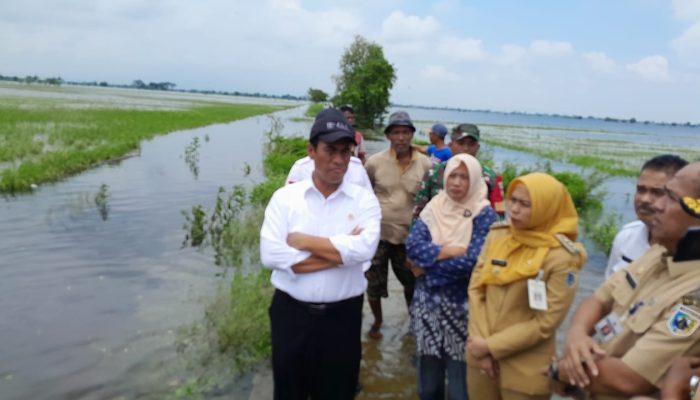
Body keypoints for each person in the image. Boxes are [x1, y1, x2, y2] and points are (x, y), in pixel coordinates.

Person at [551, 162, 700, 399]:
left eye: (670, 197)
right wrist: (577, 337)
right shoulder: (658, 252)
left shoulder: (695, 297)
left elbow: (628, 380)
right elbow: (598, 300)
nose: (656, 206)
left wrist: (560, 370)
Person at [260, 108, 381, 400]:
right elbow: (271, 255)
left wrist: (301, 241)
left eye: (345, 151)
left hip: (343, 316)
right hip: (291, 314)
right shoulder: (286, 199)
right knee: (289, 391)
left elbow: (365, 249)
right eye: (330, 150)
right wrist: (341, 252)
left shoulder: (364, 199)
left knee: (338, 392)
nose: (339, 160)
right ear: (311, 151)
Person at [466, 172, 587, 400]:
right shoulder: (498, 236)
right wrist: (480, 346)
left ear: (546, 207)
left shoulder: (562, 257)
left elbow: (546, 322)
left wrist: (491, 346)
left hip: (525, 371)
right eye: (513, 200)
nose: (515, 209)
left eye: (525, 204)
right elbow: (476, 289)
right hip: (480, 360)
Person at [406, 154, 497, 400]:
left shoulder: (485, 216)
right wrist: (448, 251)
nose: (456, 183)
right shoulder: (435, 206)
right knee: (428, 384)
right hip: (428, 309)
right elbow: (413, 246)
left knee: (460, 385)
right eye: (453, 176)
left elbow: (473, 263)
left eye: (464, 177)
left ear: (476, 180)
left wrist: (426, 269)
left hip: (463, 312)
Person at [364, 110, 431, 339]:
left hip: (409, 239)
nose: (401, 137)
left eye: (405, 132)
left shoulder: (426, 164)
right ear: (388, 136)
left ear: (412, 135)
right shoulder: (374, 163)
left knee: (412, 282)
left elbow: (433, 201)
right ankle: (377, 322)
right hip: (378, 236)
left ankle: (414, 322)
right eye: (396, 132)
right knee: (373, 283)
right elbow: (364, 196)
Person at [605, 154, 688, 279]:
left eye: (658, 192)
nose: (645, 199)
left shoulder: (690, 251)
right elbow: (606, 288)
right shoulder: (627, 236)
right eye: (641, 190)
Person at [413, 123, 505, 222]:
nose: (465, 148)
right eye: (461, 143)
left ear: (477, 147)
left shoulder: (490, 177)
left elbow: (499, 218)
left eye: (471, 144)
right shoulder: (434, 173)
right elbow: (419, 213)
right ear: (451, 145)